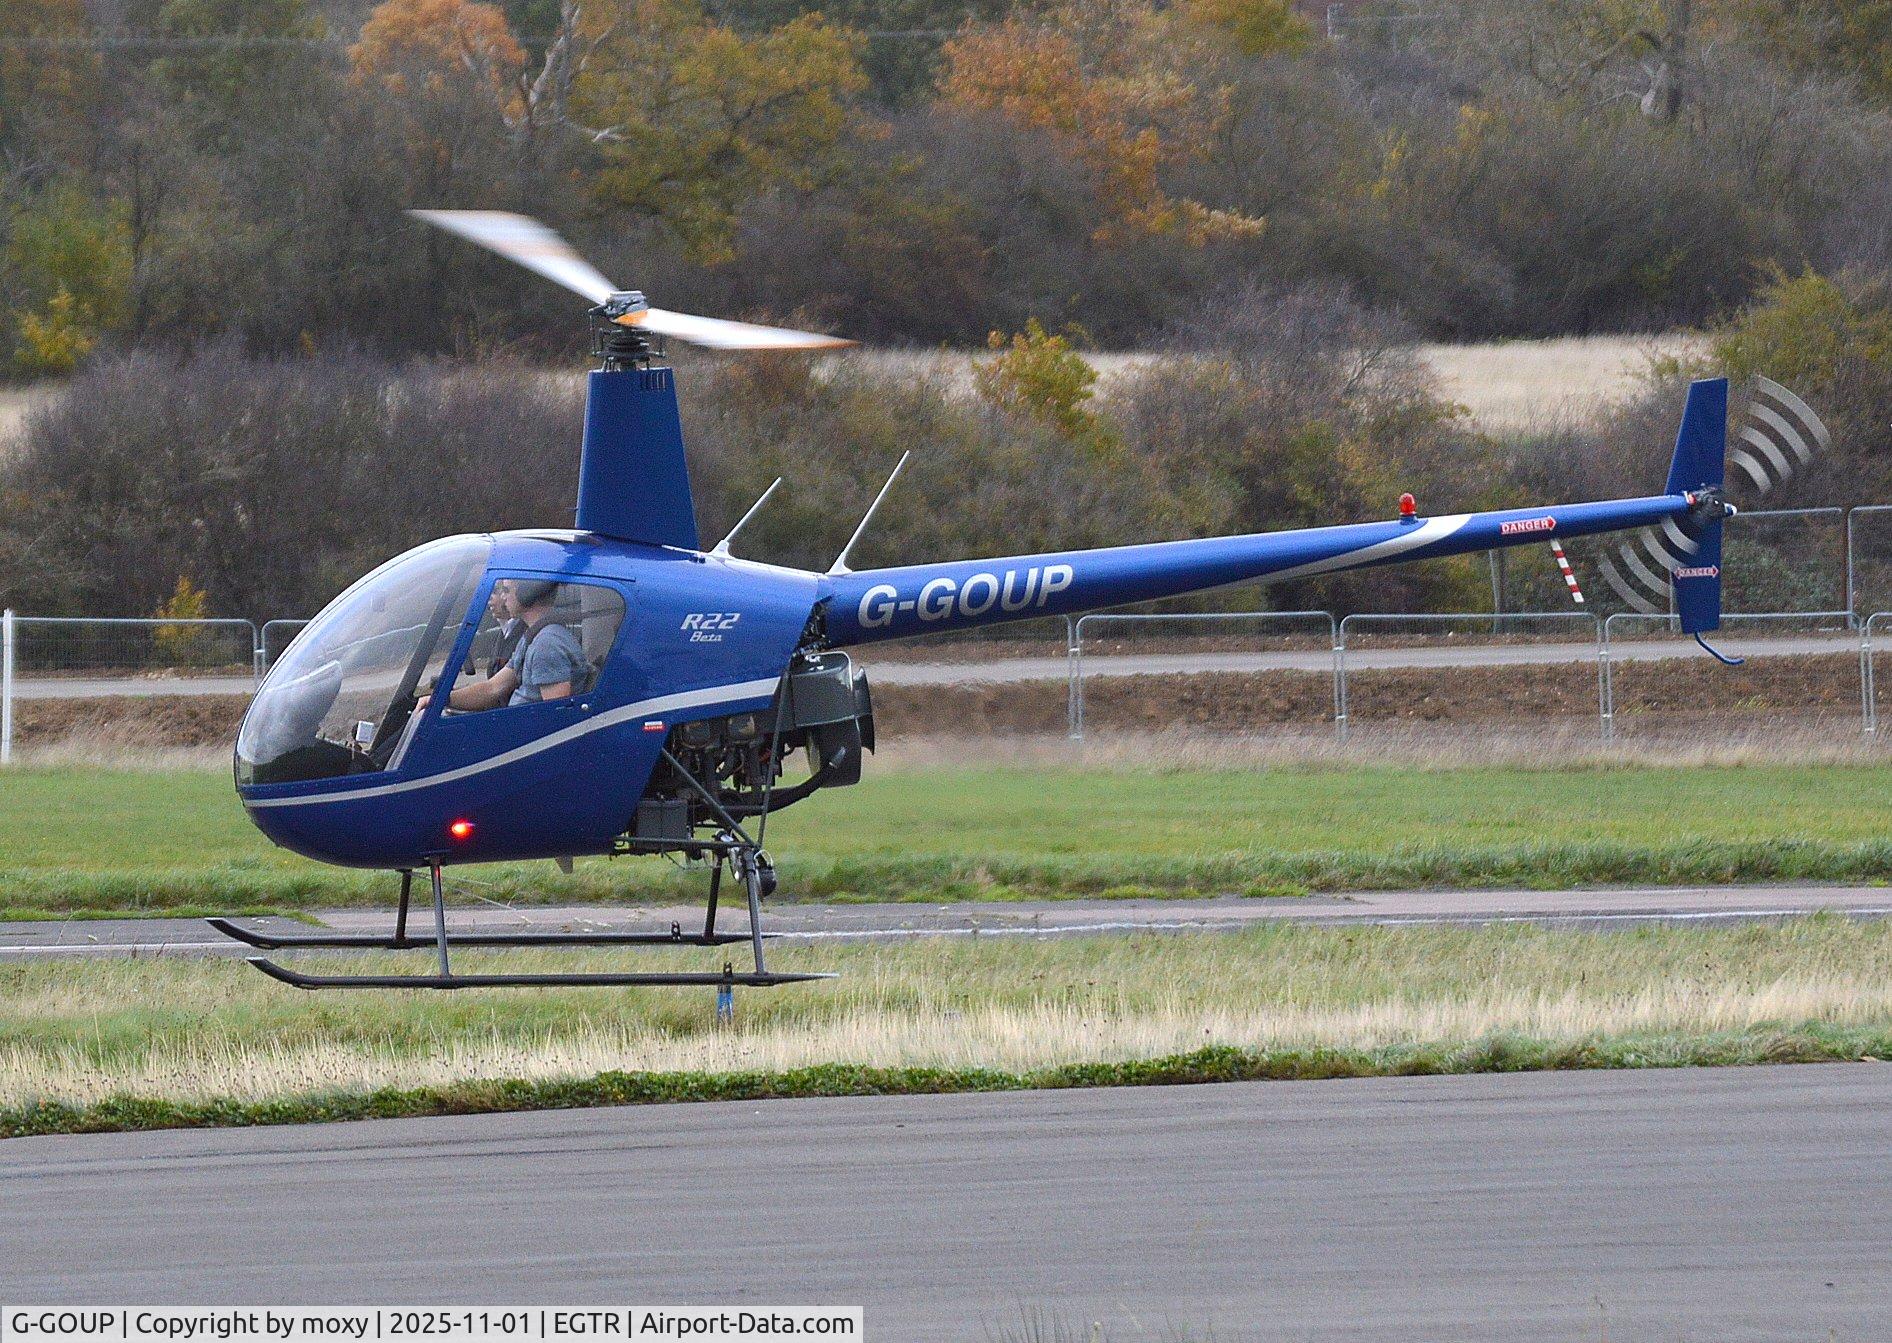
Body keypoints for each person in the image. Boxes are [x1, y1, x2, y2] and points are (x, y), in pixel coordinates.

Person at [423, 579, 588, 713]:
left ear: (527, 594)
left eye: (507, 590)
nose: (502, 597)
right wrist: (440, 700)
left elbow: (556, 717)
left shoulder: (547, 644)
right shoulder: (534, 637)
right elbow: (492, 688)